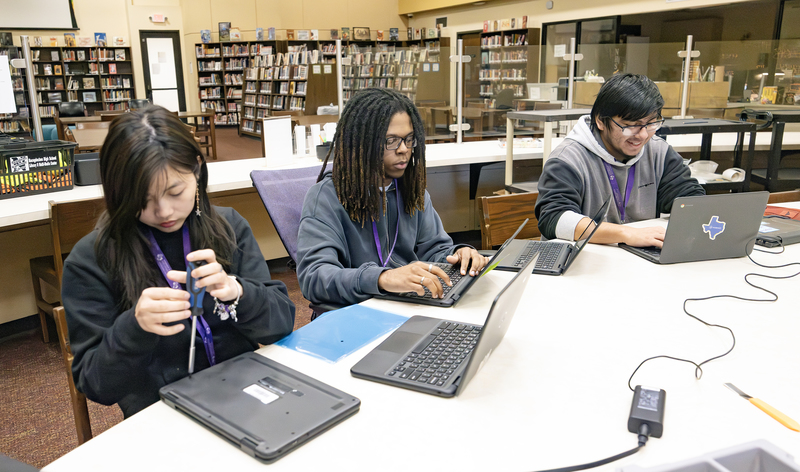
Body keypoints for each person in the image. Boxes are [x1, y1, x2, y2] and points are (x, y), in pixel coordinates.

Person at [61, 106, 295, 418]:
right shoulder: (92, 258)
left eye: (175, 191)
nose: (164, 212)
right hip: (162, 413)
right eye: (142, 200)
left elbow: (280, 326)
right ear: (118, 193)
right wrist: (134, 327)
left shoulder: (228, 227)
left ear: (197, 169)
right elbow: (97, 386)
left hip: (246, 396)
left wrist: (237, 291)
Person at [297, 88, 487, 306]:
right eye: (391, 141)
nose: (403, 149)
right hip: (353, 312)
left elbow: (435, 250)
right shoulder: (326, 197)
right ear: (362, 143)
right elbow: (314, 277)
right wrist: (382, 278)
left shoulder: (413, 192)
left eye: (409, 139)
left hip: (408, 304)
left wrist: (459, 255)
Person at [534, 73, 704, 247]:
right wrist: (625, 233)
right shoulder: (568, 159)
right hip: (582, 262)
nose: (643, 135)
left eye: (651, 124)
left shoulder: (659, 152)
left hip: (637, 261)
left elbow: (689, 198)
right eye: (631, 125)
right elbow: (555, 219)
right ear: (600, 120)